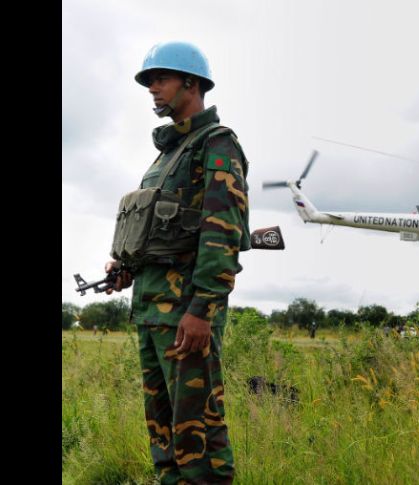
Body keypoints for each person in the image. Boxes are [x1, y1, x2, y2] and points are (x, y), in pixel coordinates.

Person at [104, 41, 250, 484]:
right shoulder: (165, 156)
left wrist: (201, 309)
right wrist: (127, 265)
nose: (152, 89)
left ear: (192, 83)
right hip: (152, 312)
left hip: (186, 316)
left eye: (160, 79)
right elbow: (163, 232)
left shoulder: (217, 144)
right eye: (149, 81)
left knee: (198, 433)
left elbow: (220, 234)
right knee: (164, 432)